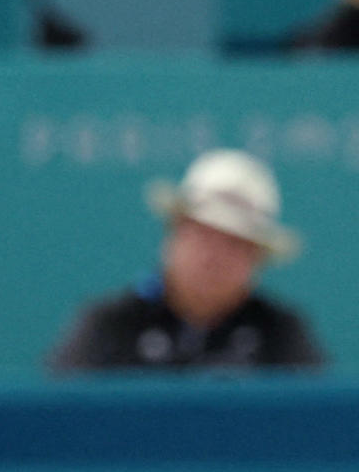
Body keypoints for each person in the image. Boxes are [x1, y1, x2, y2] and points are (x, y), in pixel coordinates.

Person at [48, 149, 325, 372]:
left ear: (258, 260)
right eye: (203, 235)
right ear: (173, 234)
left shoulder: (282, 334)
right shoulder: (111, 325)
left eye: (235, 244)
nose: (214, 256)